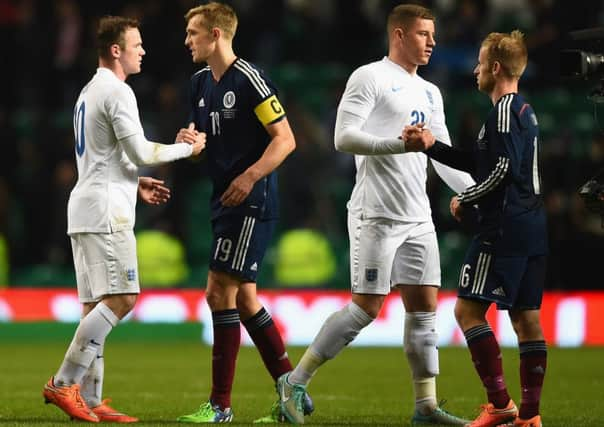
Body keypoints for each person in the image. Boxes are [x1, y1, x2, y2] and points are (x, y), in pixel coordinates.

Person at [276, 4, 474, 426]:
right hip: (375, 215)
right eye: (423, 34)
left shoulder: (431, 92)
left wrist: (476, 192)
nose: (432, 42)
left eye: (433, 34)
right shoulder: (369, 77)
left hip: (418, 215)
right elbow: (342, 137)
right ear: (399, 35)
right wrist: (400, 146)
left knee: (424, 308)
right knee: (365, 308)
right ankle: (295, 381)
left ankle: (425, 406)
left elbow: (443, 156)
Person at [42, 15, 205, 423]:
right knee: (123, 299)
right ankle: (64, 383)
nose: (143, 50)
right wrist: (188, 149)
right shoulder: (117, 92)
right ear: (116, 50)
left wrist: (135, 185)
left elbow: (103, 160)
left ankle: (92, 399)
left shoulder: (88, 92)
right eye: (137, 44)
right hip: (106, 215)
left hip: (86, 206)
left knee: (95, 306)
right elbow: (142, 153)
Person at [175, 2, 312, 423]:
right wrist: (191, 146)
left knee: (218, 292)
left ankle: (220, 406)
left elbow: (285, 139)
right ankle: (294, 391)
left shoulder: (250, 79)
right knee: (247, 299)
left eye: (194, 33)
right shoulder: (200, 83)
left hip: (251, 199)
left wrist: (250, 177)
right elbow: (207, 144)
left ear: (216, 34)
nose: (187, 41)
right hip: (224, 198)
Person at [405, 30, 547, 427]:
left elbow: (499, 172)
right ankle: (530, 417)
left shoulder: (501, 112)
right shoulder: (524, 111)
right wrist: (433, 145)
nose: (475, 69)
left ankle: (500, 403)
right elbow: (486, 163)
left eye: (481, 63)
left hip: (503, 227)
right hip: (532, 225)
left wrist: (466, 198)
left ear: (495, 68)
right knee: (526, 319)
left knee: (468, 311)